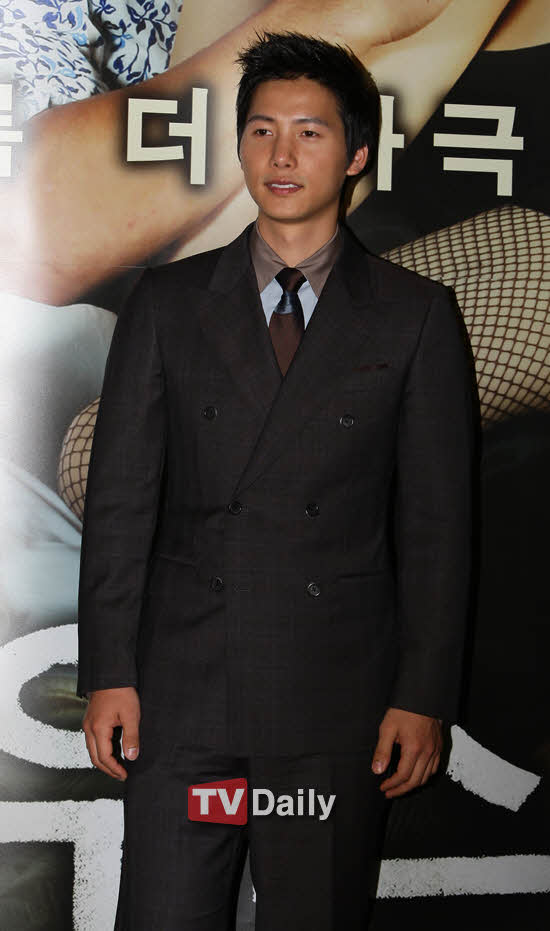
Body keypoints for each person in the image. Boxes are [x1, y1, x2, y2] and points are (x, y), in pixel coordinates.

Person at [77, 32, 476, 930]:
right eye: (261, 131)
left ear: (357, 153)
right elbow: (121, 503)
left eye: (309, 132)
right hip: (183, 697)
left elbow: (438, 525)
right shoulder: (168, 303)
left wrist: (422, 695)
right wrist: (109, 670)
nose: (282, 155)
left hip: (333, 701)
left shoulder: (413, 316)